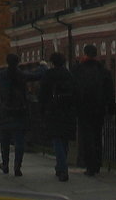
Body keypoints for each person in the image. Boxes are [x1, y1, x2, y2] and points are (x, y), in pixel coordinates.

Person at [0, 53, 34, 177]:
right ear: (18, 62)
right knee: (19, 140)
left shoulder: (1, 75)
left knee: (5, 140)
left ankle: (5, 164)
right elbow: (38, 74)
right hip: (20, 111)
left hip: (5, 110)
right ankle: (18, 166)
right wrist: (43, 66)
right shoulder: (22, 75)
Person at [74, 44, 115, 176]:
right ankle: (97, 163)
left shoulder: (78, 70)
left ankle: (89, 165)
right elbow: (110, 92)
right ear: (96, 54)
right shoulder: (103, 71)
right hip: (99, 108)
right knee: (97, 136)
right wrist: (111, 110)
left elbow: (74, 90)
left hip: (83, 109)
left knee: (86, 137)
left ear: (84, 54)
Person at [40, 51, 77, 181]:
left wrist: (43, 109)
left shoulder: (49, 75)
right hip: (67, 111)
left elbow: (43, 94)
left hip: (53, 110)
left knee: (56, 139)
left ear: (52, 62)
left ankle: (62, 167)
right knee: (64, 139)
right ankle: (60, 165)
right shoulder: (69, 74)